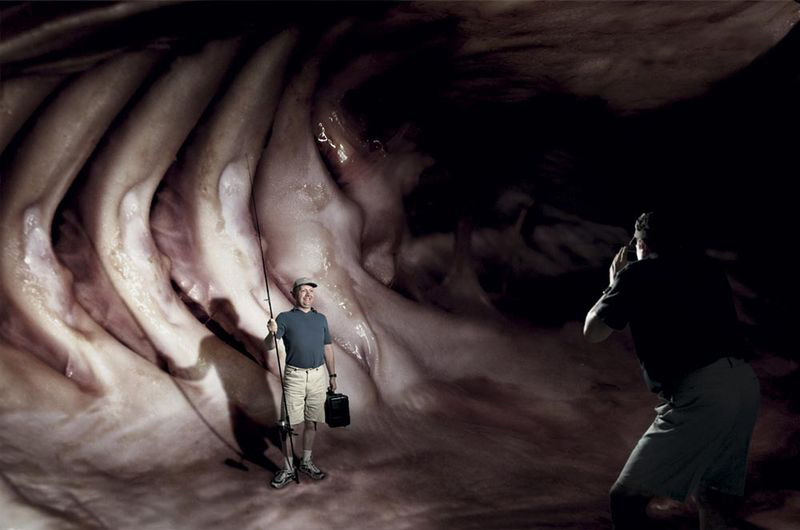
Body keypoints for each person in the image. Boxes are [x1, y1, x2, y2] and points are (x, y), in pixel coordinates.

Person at [583, 212, 760, 530]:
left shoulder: (637, 273)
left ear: (641, 244)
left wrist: (613, 284)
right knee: (715, 498)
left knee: (625, 499)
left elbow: (593, 332)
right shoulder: (707, 269)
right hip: (744, 386)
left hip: (703, 393)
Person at [265, 277, 337, 489]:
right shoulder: (285, 318)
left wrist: (333, 375)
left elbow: (327, 348)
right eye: (303, 290)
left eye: (311, 291)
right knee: (288, 425)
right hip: (294, 376)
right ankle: (288, 468)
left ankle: (306, 462)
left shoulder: (321, 319)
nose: (308, 294)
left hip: (318, 376)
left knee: (312, 421)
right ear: (294, 294)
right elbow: (269, 345)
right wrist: (271, 332)